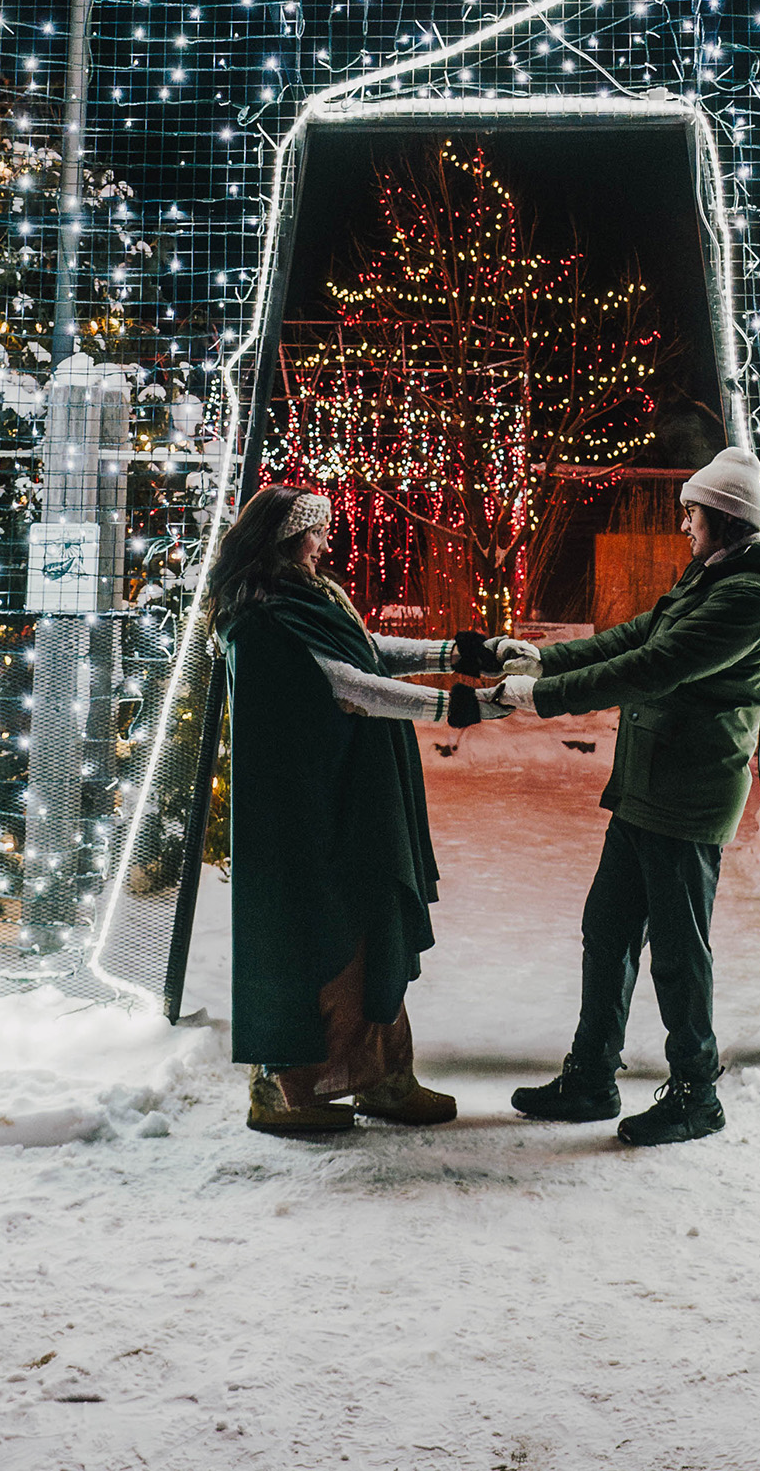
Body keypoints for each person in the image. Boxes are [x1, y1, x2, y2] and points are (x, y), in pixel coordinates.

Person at [485, 447, 760, 1146]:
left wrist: (541, 698)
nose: (684, 524)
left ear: (720, 517)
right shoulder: (712, 576)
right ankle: (592, 1076)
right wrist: (547, 657)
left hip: (688, 794)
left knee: (678, 952)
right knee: (608, 931)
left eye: (692, 513)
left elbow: (655, 667)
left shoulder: (749, 596)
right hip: (646, 785)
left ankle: (697, 1091)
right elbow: (639, 635)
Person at [205, 484, 515, 1137]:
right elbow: (347, 687)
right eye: (316, 533)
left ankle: (381, 1078)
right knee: (322, 939)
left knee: (368, 928)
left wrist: (449, 654)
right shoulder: (260, 618)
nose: (326, 542)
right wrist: (455, 706)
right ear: (286, 540)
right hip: (308, 813)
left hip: (348, 796)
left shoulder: (307, 598)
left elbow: (365, 649)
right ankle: (284, 1089)